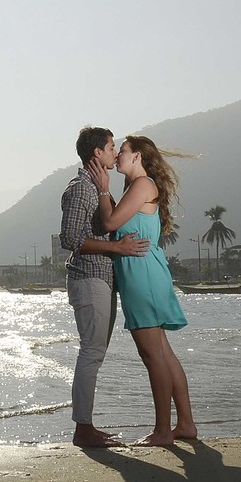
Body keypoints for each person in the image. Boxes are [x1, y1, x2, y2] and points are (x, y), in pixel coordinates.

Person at [86, 135, 197, 447]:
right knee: (162, 353)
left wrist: (103, 188)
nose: (118, 155)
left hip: (143, 275)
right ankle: (185, 424)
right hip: (143, 273)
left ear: (136, 157)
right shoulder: (137, 186)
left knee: (152, 355)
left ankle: (163, 431)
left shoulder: (142, 185)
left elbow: (109, 223)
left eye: (122, 151)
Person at [60, 126, 150, 448]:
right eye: (112, 147)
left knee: (93, 352)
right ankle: (83, 429)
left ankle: (86, 426)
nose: (115, 153)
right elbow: (69, 240)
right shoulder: (81, 189)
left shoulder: (97, 187)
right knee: (91, 352)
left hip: (100, 280)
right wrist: (118, 248)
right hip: (89, 278)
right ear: (97, 153)